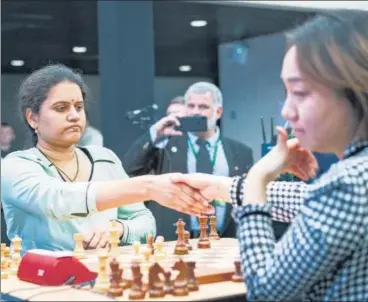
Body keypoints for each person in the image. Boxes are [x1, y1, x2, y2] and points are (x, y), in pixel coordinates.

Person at [172, 10, 368, 301]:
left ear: (354, 90)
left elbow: (265, 291)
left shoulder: (349, 183)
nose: (287, 111)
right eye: (286, 92)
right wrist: (226, 187)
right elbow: (310, 199)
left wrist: (258, 178)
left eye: (299, 92)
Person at [1, 64, 212, 253]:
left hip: (106, 282)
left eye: (79, 107)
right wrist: (147, 186)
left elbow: (145, 221)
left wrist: (118, 228)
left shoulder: (105, 159)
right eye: (61, 108)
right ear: (33, 118)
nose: (74, 115)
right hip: (40, 287)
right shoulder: (15, 166)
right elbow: (57, 199)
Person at [124, 82, 253, 240]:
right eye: (191, 106)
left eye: (203, 107)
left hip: (224, 239)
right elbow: (130, 170)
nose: (195, 112)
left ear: (218, 112)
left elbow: (248, 196)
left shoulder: (241, 151)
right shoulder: (166, 145)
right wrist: (154, 133)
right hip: (176, 239)